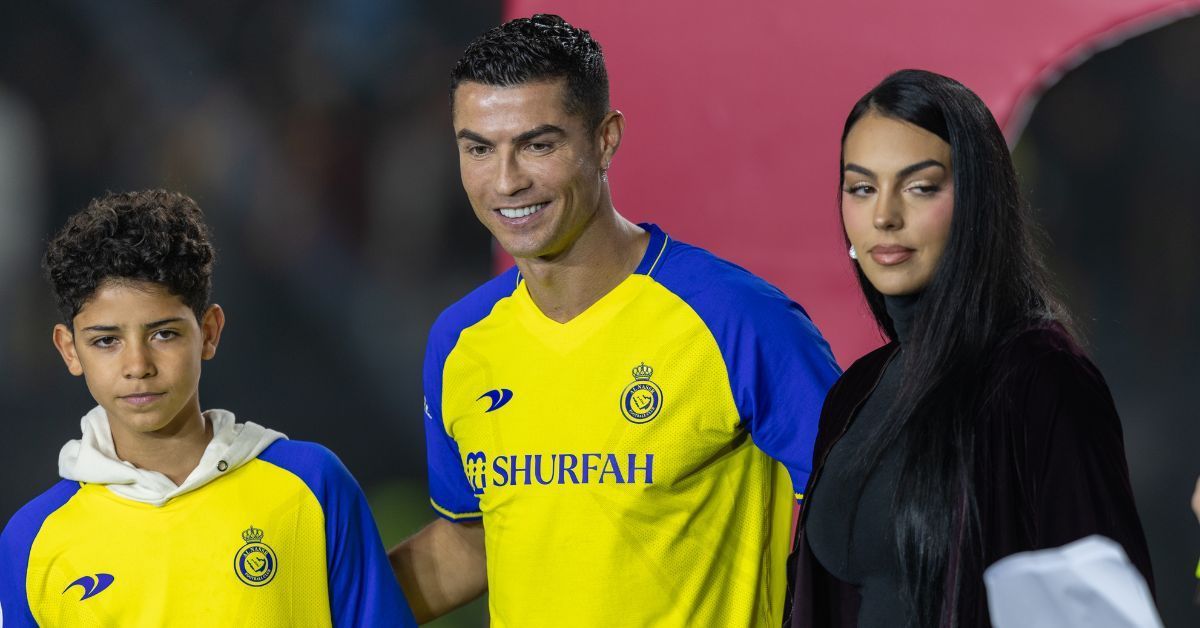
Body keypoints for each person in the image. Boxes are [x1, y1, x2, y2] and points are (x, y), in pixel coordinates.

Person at [388, 14, 840, 627]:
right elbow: (472, 542)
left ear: (605, 138)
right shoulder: (460, 340)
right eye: (478, 148)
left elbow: (860, 522)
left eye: (538, 144)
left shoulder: (739, 318)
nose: (506, 181)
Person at [789, 69, 1153, 627]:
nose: (884, 216)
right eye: (862, 187)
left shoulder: (1042, 379)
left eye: (920, 186)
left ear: (977, 203)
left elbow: (1102, 615)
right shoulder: (855, 393)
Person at [0, 190, 415, 627]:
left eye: (163, 334)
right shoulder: (33, 540)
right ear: (70, 350)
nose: (137, 366)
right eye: (107, 341)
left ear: (210, 332)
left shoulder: (312, 485)